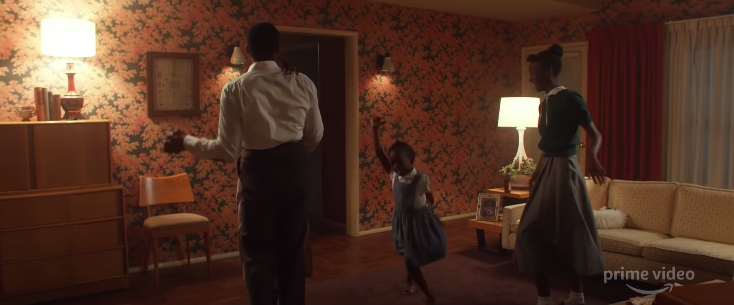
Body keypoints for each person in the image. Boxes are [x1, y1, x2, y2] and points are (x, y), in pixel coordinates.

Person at [164, 22, 323, 305]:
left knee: (258, 255)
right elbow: (315, 135)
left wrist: (186, 141)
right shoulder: (303, 83)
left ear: (247, 50)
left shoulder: (236, 89)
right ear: (278, 47)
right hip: (296, 172)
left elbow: (227, 150)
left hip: (259, 176)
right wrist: (293, 158)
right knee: (292, 253)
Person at [514, 44, 607, 305]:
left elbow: (595, 134)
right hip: (547, 169)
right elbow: (548, 143)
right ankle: (544, 299)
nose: (530, 77)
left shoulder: (571, 98)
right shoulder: (544, 104)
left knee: (570, 232)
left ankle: (576, 296)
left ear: (549, 70)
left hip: (565, 170)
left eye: (534, 72)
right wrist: (536, 172)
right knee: (529, 232)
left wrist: (592, 155)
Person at [371, 116, 447, 305]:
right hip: (402, 221)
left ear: (412, 160)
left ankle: (420, 287)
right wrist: (375, 130)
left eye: (399, 162)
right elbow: (379, 153)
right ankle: (420, 287)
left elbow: (428, 195)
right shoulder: (394, 175)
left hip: (418, 222)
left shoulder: (421, 179)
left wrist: (431, 206)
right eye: (393, 163)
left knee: (413, 255)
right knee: (409, 255)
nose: (395, 167)